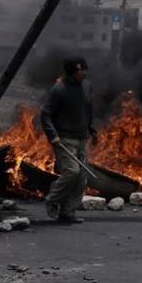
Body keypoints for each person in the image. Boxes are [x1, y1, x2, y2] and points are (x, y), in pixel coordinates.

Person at [40, 56, 97, 224]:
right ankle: (52, 198)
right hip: (64, 138)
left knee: (82, 178)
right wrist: (53, 135)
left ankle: (68, 212)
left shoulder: (87, 87)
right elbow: (45, 114)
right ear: (72, 72)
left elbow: (87, 110)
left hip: (82, 138)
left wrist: (92, 130)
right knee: (72, 172)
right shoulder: (59, 89)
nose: (85, 73)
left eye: (86, 69)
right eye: (81, 70)